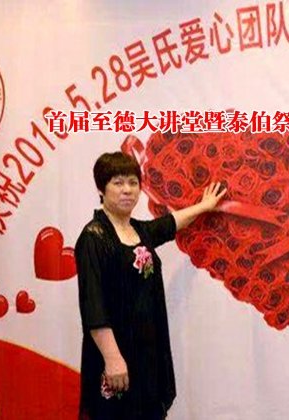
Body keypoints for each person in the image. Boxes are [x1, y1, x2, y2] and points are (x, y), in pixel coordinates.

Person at [75, 151, 226, 420]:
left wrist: (204, 206)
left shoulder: (139, 231)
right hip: (116, 355)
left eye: (133, 183)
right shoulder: (93, 238)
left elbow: (170, 224)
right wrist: (113, 358)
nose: (127, 190)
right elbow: (93, 305)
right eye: (118, 183)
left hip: (146, 353)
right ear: (101, 189)